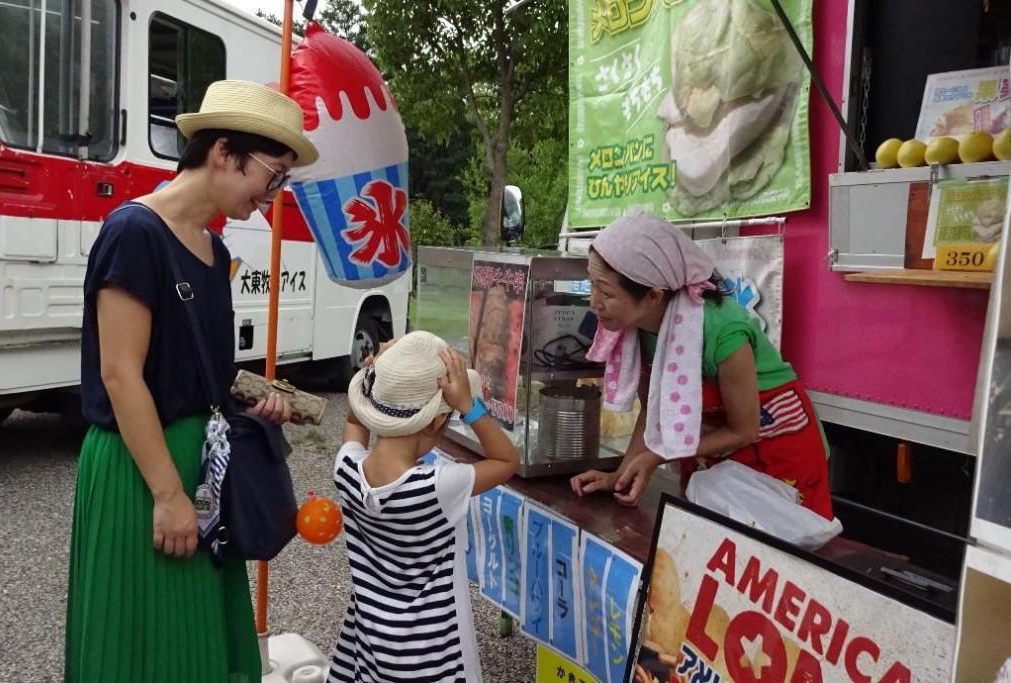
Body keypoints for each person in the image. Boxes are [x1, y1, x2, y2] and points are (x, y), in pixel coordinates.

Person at [65, 80, 319, 682]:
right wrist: (169, 496)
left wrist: (258, 406)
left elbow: (203, 373)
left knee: (197, 643)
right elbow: (121, 374)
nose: (273, 195)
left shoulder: (211, 248)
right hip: (140, 467)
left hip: (199, 464)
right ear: (224, 152)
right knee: (139, 645)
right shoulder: (134, 232)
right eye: (273, 175)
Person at [570, 211, 833, 520]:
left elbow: (744, 429)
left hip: (775, 445)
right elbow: (651, 414)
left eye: (606, 292)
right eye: (592, 286)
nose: (594, 302)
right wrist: (620, 475)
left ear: (653, 296)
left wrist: (658, 455)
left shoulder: (724, 331)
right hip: (714, 450)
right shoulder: (638, 328)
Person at [328, 331, 520, 682]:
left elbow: (355, 421)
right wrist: (469, 406)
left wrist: (374, 375)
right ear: (435, 421)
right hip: (433, 654)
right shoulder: (437, 487)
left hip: (370, 644)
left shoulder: (346, 468)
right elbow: (507, 460)